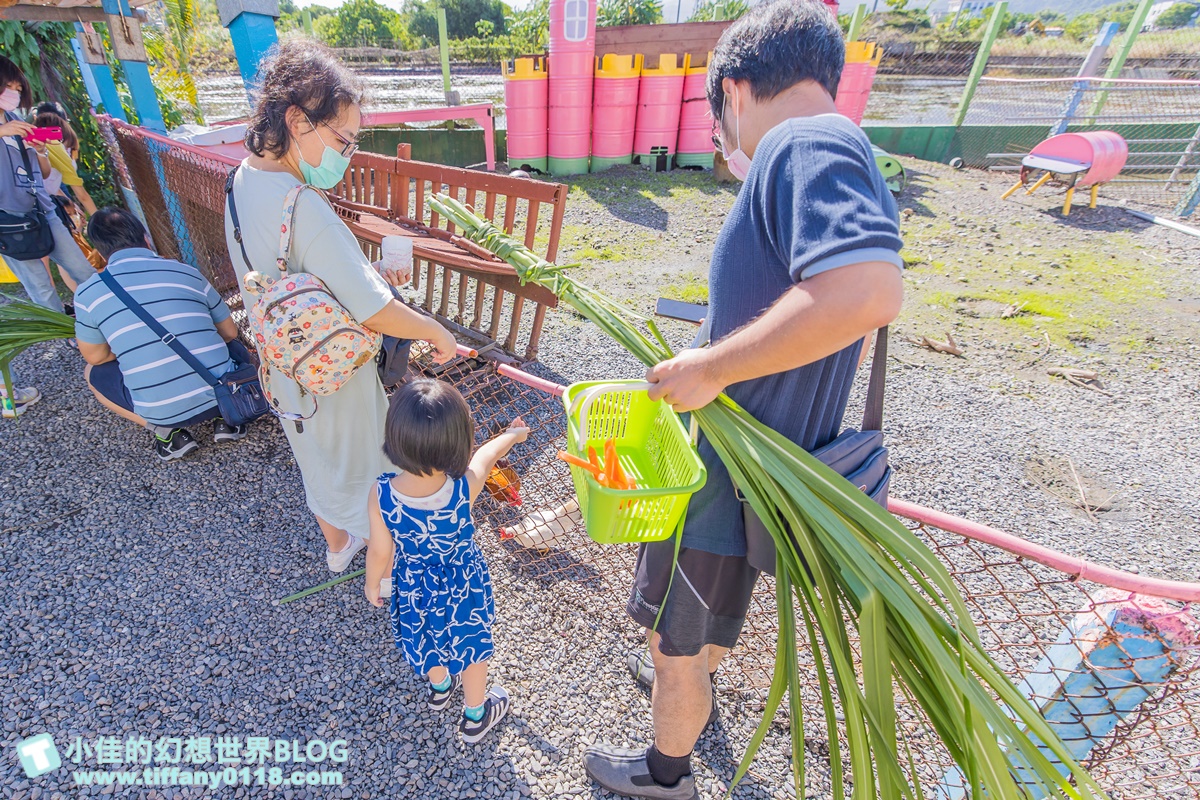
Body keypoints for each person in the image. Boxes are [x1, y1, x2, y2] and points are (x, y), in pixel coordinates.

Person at [582, 2, 905, 798]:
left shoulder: (806, 140)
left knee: (674, 647)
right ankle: (692, 678)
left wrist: (713, 369)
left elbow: (865, 290)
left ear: (732, 87)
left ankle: (666, 774)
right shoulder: (816, 147)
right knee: (703, 624)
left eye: (715, 113)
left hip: (723, 488)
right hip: (765, 475)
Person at [223, 38, 457, 574]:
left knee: (312, 454)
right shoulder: (301, 203)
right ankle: (387, 566)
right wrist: (434, 331)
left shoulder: (242, 180)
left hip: (282, 360)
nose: (346, 157)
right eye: (343, 140)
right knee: (369, 466)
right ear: (298, 121)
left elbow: (295, 276)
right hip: (334, 368)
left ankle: (338, 548)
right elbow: (373, 310)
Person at [363, 380, 528, 742]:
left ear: (395, 437)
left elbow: (380, 551)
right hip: (462, 583)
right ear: (458, 444)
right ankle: (475, 715)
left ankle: (440, 688)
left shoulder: (382, 494)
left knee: (424, 635)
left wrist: (372, 583)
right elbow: (486, 455)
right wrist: (514, 434)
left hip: (414, 583)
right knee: (469, 644)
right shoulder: (462, 487)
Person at [74, 208, 250, 462]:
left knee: (92, 373)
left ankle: (167, 431)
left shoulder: (88, 293)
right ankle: (229, 417)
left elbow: (96, 356)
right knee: (234, 347)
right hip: (223, 394)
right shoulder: (186, 272)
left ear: (100, 251)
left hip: (163, 411)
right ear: (145, 238)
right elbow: (230, 332)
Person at [0, 56, 97, 314]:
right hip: (8, 221)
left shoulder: (13, 118)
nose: (14, 93)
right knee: (41, 288)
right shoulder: (7, 126)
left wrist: (41, 151)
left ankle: (106, 320)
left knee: (84, 271)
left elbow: (41, 174)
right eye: (9, 87)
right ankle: (67, 336)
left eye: (18, 89)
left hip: (42, 210)